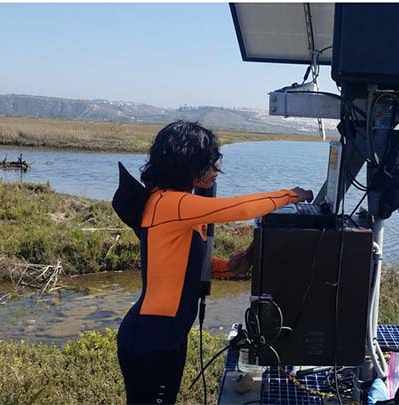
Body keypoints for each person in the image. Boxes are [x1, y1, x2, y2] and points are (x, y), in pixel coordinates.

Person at [111, 120, 313, 404]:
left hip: (167, 336)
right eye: (208, 163)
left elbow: (178, 263)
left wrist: (227, 267)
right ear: (185, 162)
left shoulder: (170, 202)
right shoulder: (171, 203)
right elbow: (239, 208)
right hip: (151, 338)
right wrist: (292, 195)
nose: (215, 169)